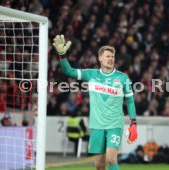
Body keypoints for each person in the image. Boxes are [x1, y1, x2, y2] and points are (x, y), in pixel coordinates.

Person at [53, 35, 138, 170]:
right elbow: (68, 71)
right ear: (100, 58)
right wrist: (62, 55)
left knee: (111, 159)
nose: (110, 59)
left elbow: (130, 101)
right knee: (99, 165)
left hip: (114, 124)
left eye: (112, 56)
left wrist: (133, 122)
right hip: (97, 125)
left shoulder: (122, 77)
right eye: (108, 56)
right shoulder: (91, 74)